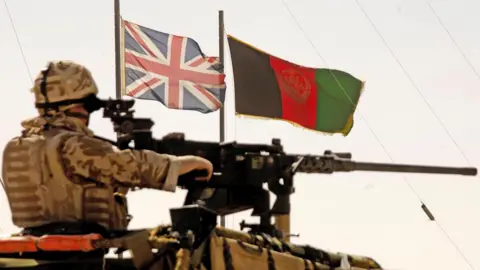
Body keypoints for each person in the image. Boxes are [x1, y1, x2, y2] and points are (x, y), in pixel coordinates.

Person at [1, 60, 213, 269]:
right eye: (87, 107)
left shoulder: (16, 146)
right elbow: (130, 166)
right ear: (76, 105)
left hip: (35, 249)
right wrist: (185, 163)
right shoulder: (73, 145)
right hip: (78, 255)